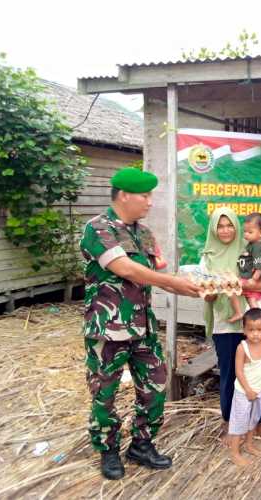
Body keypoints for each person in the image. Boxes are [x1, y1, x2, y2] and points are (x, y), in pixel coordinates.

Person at [80, 167, 203, 480]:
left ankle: (142, 444)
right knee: (104, 394)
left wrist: (200, 288)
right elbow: (128, 270)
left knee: (156, 386)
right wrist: (172, 280)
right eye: (145, 195)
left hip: (143, 328)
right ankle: (108, 449)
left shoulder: (144, 233)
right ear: (124, 195)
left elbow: (157, 273)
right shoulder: (98, 228)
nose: (150, 202)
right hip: (107, 329)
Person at [201, 207, 261, 447]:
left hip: (254, 323)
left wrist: (237, 285)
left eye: (229, 225)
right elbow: (207, 297)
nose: (225, 230)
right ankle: (230, 425)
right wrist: (214, 290)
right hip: (225, 325)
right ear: (213, 229)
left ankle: (259, 426)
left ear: (237, 226)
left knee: (257, 374)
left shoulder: (248, 248)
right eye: (220, 226)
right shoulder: (207, 257)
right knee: (228, 375)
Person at [228, 308, 261, 466]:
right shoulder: (242, 348)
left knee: (253, 419)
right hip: (244, 392)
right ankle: (234, 452)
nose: (255, 334)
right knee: (239, 421)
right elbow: (238, 371)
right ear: (244, 330)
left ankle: (249, 444)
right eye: (251, 330)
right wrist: (247, 390)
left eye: (260, 330)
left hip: (259, 389)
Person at [228, 212, 261, 322]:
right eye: (245, 231)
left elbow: (260, 265)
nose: (246, 234)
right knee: (252, 300)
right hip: (248, 277)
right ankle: (259, 320)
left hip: (249, 278)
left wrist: (253, 279)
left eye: (250, 232)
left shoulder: (257, 246)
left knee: (231, 288)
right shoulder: (252, 244)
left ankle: (238, 313)